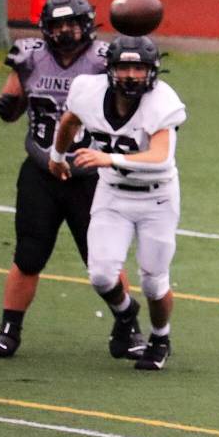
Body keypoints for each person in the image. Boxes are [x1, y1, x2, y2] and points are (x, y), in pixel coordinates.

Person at [0, 0, 145, 360]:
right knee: (29, 252)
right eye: (59, 25)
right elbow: (10, 108)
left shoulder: (105, 60)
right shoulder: (28, 57)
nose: (67, 31)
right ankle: (9, 329)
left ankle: (128, 324)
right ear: (46, 28)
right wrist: (7, 104)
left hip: (88, 174)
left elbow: (128, 108)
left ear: (87, 25)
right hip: (41, 170)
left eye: (73, 23)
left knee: (101, 258)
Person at [48, 35, 186, 371]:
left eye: (138, 67)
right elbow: (70, 120)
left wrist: (109, 159)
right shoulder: (88, 91)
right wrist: (57, 155)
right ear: (110, 68)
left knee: (154, 281)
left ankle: (160, 337)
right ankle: (126, 313)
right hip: (113, 194)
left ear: (151, 71)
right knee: (100, 274)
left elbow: (160, 157)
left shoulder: (162, 101)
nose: (130, 75)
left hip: (157, 198)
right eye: (124, 66)